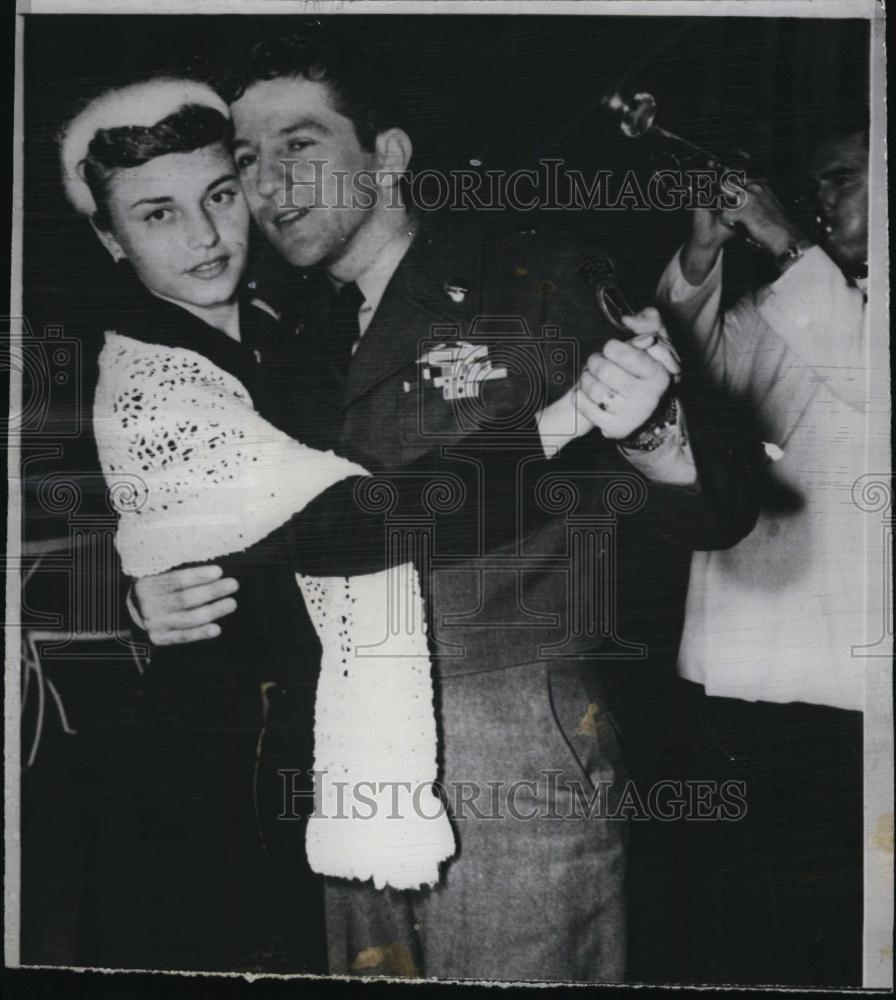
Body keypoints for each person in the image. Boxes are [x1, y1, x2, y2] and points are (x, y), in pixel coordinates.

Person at [131, 30, 757, 982]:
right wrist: (149, 600)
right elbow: (287, 544)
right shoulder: (283, 350)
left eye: (300, 147)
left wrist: (652, 430)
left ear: (386, 156)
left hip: (509, 741)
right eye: (249, 161)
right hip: (343, 742)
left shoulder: (534, 277)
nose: (269, 187)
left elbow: (718, 514)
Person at [60, 75, 642, 974]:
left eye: (219, 195)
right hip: (205, 783)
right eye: (157, 215)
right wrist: (563, 422)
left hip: (323, 754)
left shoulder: (293, 325)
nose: (208, 235)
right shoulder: (152, 375)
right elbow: (348, 526)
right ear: (109, 237)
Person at [653, 116, 884, 985]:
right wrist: (704, 253)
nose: (821, 199)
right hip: (746, 639)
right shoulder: (798, 292)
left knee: (835, 904)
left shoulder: (817, 284)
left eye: (843, 178)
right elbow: (690, 369)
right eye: (815, 182)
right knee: (738, 894)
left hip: (845, 668)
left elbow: (871, 379)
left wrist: (788, 241)